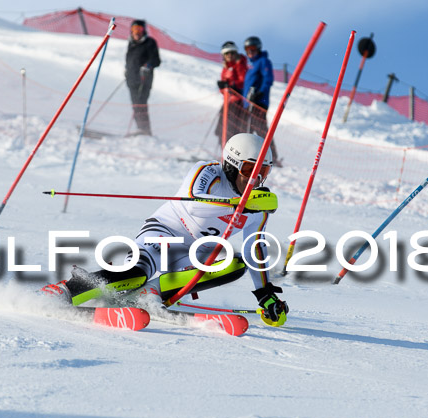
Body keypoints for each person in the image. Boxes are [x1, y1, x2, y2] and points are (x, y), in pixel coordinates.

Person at [41, 133, 289, 326]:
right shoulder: (207, 172)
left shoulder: (258, 205)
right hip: (163, 234)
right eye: (249, 170)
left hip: (194, 254)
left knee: (234, 265)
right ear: (232, 165)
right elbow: (194, 204)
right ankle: (63, 290)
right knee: (134, 274)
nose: (254, 179)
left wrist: (265, 294)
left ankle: (151, 293)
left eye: (263, 172)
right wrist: (242, 205)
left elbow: (254, 247)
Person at [242, 36, 280, 165]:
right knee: (248, 129)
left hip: (259, 102)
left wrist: (259, 93)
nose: (250, 52)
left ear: (258, 48)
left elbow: (268, 79)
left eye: (253, 49)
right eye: (247, 49)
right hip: (249, 103)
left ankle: (272, 157)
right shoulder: (252, 65)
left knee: (260, 129)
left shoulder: (263, 61)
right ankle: (250, 156)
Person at [124, 19, 160, 136]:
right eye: (135, 29)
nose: (137, 32)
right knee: (135, 105)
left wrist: (148, 66)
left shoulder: (149, 43)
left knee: (140, 104)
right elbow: (130, 60)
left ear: (144, 30)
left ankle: (145, 130)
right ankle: (141, 129)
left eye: (140, 29)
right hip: (132, 80)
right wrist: (127, 70)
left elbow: (156, 60)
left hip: (144, 80)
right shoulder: (131, 43)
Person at [214, 41, 249, 147]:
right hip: (228, 103)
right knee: (221, 130)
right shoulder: (226, 68)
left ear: (235, 53)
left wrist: (234, 87)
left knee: (233, 131)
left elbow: (244, 82)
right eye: (227, 54)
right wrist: (223, 88)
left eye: (232, 53)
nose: (229, 56)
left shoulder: (241, 65)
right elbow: (224, 89)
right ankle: (223, 154)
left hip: (238, 103)